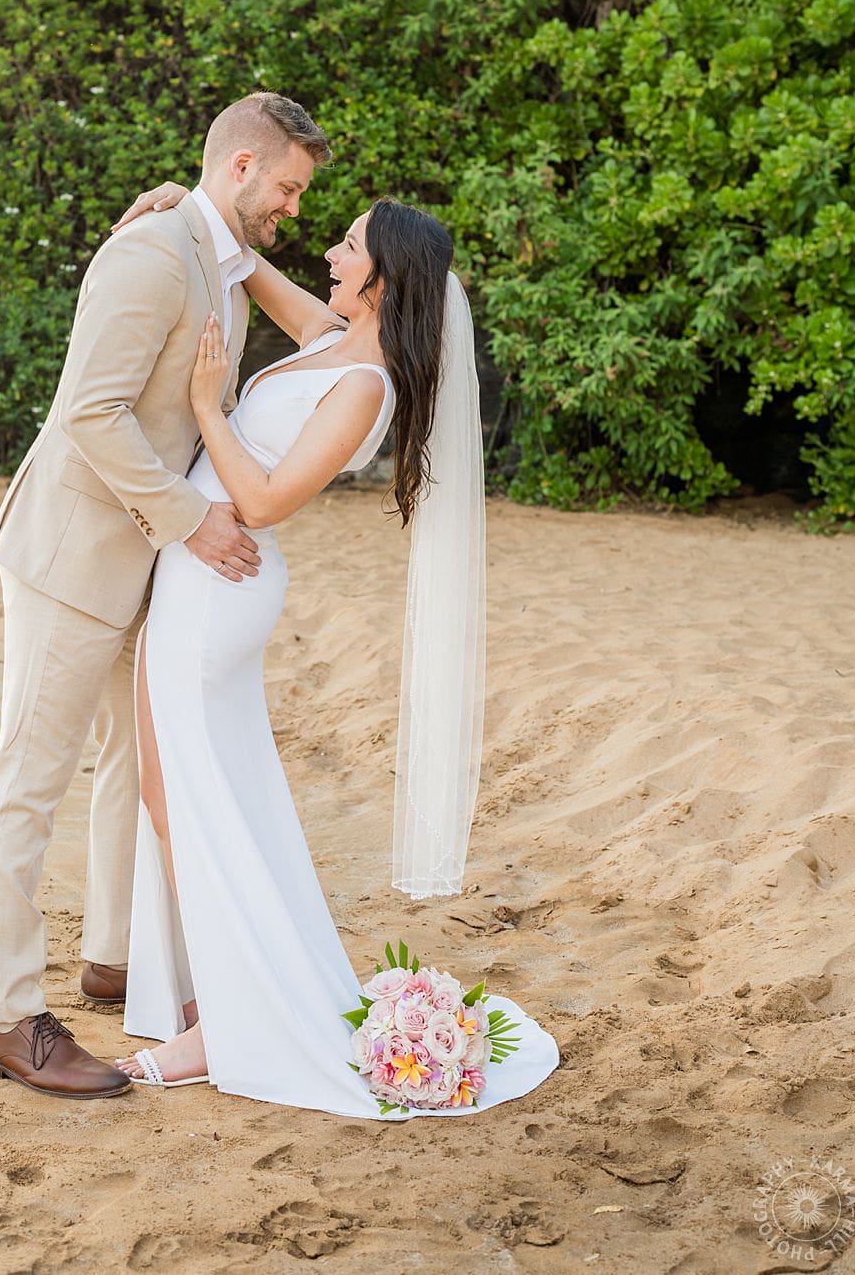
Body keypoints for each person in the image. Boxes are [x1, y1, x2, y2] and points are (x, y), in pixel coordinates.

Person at [109, 180, 560, 1118]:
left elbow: (269, 502)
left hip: (224, 583)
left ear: (383, 280)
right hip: (202, 578)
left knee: (185, 796)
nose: (332, 255)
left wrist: (204, 408)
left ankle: (221, 1023)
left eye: (350, 248)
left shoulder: (364, 387)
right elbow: (256, 264)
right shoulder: (331, 341)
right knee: (176, 793)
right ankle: (214, 992)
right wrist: (189, 204)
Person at [0, 93, 331, 1097]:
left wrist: (238, 246)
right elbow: (90, 409)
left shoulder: (223, 267)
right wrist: (191, 518)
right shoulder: (150, 255)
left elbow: (329, 328)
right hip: (73, 551)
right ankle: (3, 1010)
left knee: (135, 760)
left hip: (144, 562)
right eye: (289, 187)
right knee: (29, 776)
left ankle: (117, 957)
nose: (296, 208)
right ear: (244, 166)